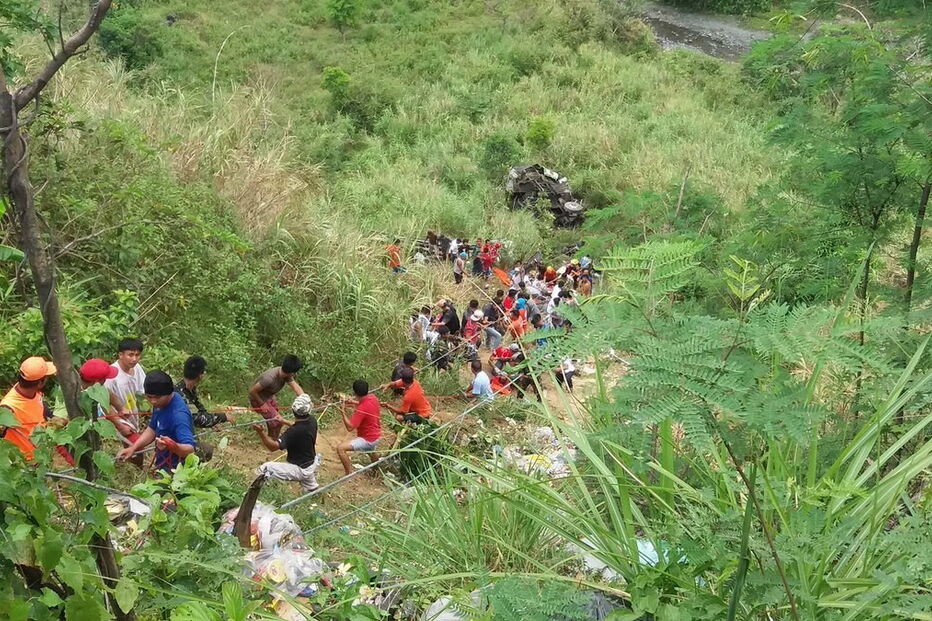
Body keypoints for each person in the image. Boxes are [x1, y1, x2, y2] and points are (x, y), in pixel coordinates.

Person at [116, 371, 196, 472]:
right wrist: (133, 448)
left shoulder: (179, 416)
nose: (153, 401)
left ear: (169, 393)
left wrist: (173, 446)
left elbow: (190, 449)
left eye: (157, 397)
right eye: (149, 397)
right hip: (163, 464)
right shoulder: (160, 404)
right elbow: (152, 428)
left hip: (179, 471)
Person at [1, 357, 69, 461]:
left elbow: (47, 415)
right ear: (40, 383)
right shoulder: (8, 407)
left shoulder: (35, 395)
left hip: (39, 458)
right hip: (21, 464)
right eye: (46, 377)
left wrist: (65, 421)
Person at [254, 394, 320, 492]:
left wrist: (261, 433)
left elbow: (273, 447)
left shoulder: (293, 432)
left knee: (265, 468)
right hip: (311, 464)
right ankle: (313, 489)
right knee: (311, 489)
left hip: (299, 469)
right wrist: (283, 421)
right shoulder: (312, 421)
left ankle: (257, 491)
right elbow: (298, 425)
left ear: (293, 411)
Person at [249, 355, 305, 440]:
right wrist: (262, 404)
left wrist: (305, 399)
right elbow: (252, 391)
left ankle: (274, 439)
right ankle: (271, 441)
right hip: (257, 399)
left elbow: (296, 387)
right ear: (292, 372)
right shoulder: (269, 378)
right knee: (277, 422)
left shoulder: (286, 375)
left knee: (276, 419)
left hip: (268, 397)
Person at [336, 380, 382, 475]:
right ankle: (376, 471)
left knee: (341, 448)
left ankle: (349, 474)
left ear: (354, 392)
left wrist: (342, 412)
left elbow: (350, 427)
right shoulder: (373, 397)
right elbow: (364, 403)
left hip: (368, 439)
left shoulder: (362, 409)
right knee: (371, 450)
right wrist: (353, 402)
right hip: (377, 435)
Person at [104, 338, 147, 435]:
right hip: (118, 421)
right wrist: (119, 424)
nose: (134, 359)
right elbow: (104, 404)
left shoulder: (137, 368)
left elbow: (145, 391)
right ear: (120, 355)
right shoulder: (111, 375)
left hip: (132, 416)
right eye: (130, 355)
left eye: (137, 355)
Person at [175, 356, 231, 428]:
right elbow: (196, 419)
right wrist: (223, 417)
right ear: (200, 375)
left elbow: (201, 411)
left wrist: (212, 423)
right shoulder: (179, 394)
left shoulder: (190, 390)